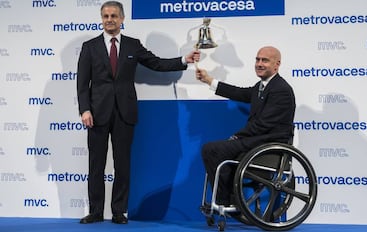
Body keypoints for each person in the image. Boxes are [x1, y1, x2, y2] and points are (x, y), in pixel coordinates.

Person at [76, 1, 200, 224]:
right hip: (96, 114)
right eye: (106, 16)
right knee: (96, 164)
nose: (109, 19)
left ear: (122, 19)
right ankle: (95, 211)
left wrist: (184, 60)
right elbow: (82, 83)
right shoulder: (90, 47)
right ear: (101, 19)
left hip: (125, 113)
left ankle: (118, 211)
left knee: (122, 164)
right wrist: (84, 109)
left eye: (114, 15)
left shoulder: (133, 45)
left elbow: (157, 64)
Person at [195, 46, 295, 206]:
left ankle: (224, 200)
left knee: (212, 149)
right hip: (258, 140)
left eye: (265, 60)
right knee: (213, 150)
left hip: (269, 143)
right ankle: (228, 198)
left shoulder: (281, 90)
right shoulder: (262, 86)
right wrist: (209, 80)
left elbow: (264, 124)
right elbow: (240, 93)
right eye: (257, 59)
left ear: (277, 65)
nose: (259, 64)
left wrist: (237, 136)